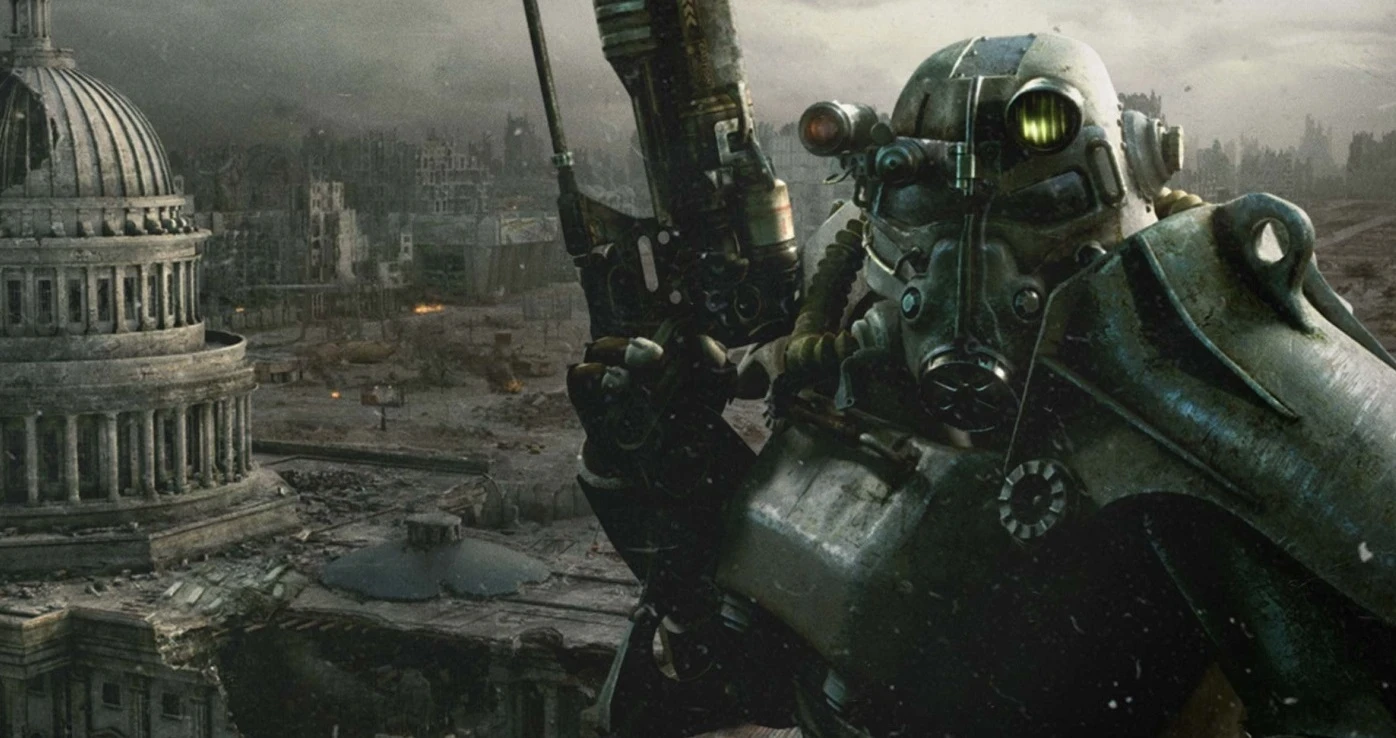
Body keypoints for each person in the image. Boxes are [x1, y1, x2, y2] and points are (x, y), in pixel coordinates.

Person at [567, 32, 1396, 738]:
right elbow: (758, 657)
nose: (973, 263)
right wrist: (657, 465)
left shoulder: (1185, 403)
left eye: (1039, 205)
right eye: (928, 204)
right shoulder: (860, 362)